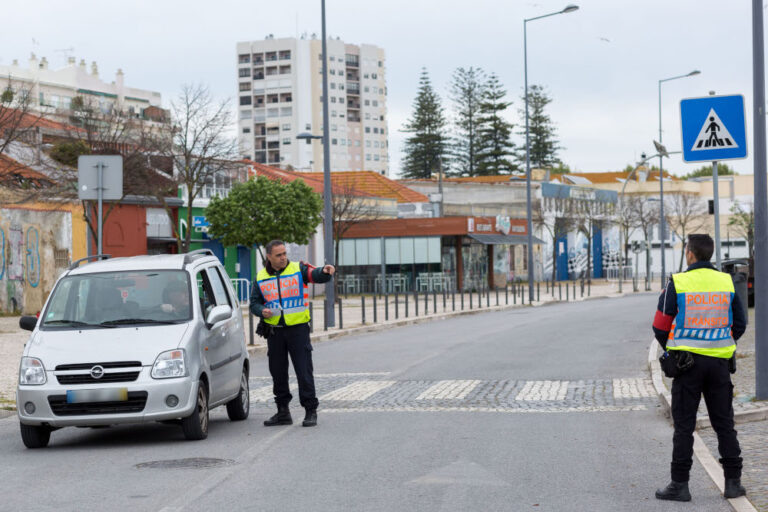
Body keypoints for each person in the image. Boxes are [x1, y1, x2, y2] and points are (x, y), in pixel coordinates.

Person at [652, 234, 747, 502]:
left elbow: (660, 326)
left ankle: (679, 485)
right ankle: (733, 483)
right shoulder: (725, 282)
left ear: (690, 253)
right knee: (724, 424)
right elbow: (739, 324)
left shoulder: (678, 282)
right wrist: (722, 342)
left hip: (687, 366)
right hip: (719, 365)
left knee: (684, 426)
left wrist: (673, 349)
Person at [250, 240, 334, 428]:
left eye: (284, 254)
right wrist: (261, 310)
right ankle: (283, 412)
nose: (283, 258)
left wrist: (326, 272)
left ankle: (310, 411)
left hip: (298, 330)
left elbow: (314, 274)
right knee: (278, 373)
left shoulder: (298, 269)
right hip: (275, 332)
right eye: (278, 255)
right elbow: (254, 302)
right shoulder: (261, 276)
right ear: (269, 256)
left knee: (303, 371)